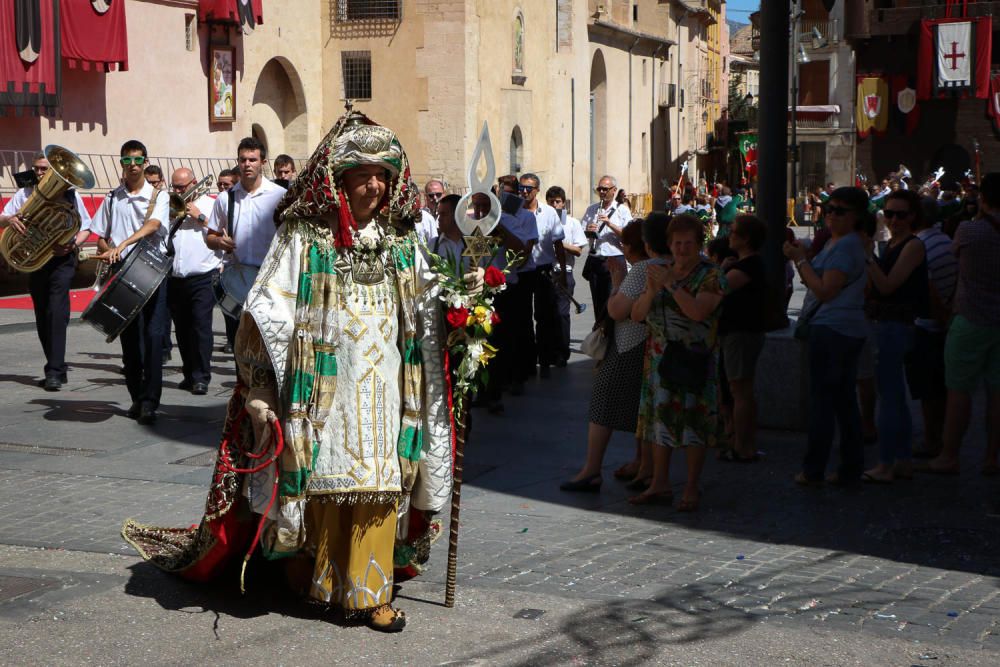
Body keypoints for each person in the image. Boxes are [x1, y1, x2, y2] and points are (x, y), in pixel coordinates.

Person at [123, 110, 459, 633]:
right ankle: (319, 579)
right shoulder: (305, 235)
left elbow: (424, 308)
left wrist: (465, 312)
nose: (374, 185)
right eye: (363, 174)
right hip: (321, 389)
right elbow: (266, 307)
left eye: (382, 175)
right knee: (323, 482)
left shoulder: (400, 241)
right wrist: (259, 383)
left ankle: (370, 593)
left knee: (380, 483)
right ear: (338, 178)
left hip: (389, 386)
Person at [630, 214, 726, 511]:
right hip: (660, 357)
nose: (682, 249)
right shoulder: (659, 271)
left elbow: (698, 312)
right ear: (669, 245)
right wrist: (650, 292)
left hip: (694, 358)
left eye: (688, 243)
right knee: (660, 420)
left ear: (699, 244)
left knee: (693, 423)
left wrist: (672, 286)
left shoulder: (711, 275)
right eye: (677, 243)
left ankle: (691, 487)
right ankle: (659, 483)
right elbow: (636, 315)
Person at [784, 187, 871, 487]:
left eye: (839, 210)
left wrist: (800, 262)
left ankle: (815, 468)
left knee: (824, 402)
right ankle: (848, 467)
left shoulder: (847, 246)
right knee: (843, 400)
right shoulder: (838, 242)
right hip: (838, 327)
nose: (830, 214)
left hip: (834, 329)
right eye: (828, 208)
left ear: (856, 216)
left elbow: (824, 290)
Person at [561, 219, 651, 492]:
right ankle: (643, 464)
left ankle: (592, 470)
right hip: (644, 346)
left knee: (602, 403)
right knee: (642, 409)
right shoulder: (660, 268)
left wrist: (616, 282)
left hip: (628, 344)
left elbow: (616, 310)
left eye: (624, 244)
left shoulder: (641, 271)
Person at [920, 172, 1000, 476]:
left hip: (970, 317)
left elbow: (955, 256)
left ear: (983, 198)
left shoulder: (969, 230)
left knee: (959, 389)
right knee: (997, 392)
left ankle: (949, 454)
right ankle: (992, 457)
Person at [91, 140, 171, 424]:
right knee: (129, 341)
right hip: (121, 270)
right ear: (121, 163)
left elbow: (154, 226)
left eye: (137, 160)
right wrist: (107, 248)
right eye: (127, 161)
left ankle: (151, 401)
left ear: (145, 162)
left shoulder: (158, 196)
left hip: (151, 269)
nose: (133, 166)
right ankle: (137, 397)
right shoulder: (113, 198)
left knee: (152, 336)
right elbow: (100, 233)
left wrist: (123, 243)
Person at [0, 152, 93, 390]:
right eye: (37, 169)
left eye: (44, 169)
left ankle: (53, 371)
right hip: (36, 260)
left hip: (62, 260)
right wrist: (10, 220)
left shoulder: (71, 195)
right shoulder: (26, 193)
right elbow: (3, 217)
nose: (40, 173)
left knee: (56, 311)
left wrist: (73, 244)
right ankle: (56, 367)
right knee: (43, 314)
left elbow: (86, 226)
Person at [863, 190, 928, 483]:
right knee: (894, 397)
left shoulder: (913, 246)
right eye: (888, 214)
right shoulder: (891, 244)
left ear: (913, 216)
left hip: (896, 325)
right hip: (886, 323)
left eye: (900, 214)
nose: (893, 220)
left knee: (889, 397)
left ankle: (887, 462)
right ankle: (901, 460)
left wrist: (868, 258)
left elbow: (888, 286)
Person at [206, 137, 286, 353]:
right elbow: (210, 238)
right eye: (243, 160)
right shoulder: (226, 198)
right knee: (239, 347)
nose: (247, 164)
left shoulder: (280, 196)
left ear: (263, 162)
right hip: (237, 281)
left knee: (269, 345)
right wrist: (219, 241)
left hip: (270, 281)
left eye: (252, 159)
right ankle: (243, 386)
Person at [905, 196, 959, 459]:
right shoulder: (945, 240)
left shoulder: (920, 246)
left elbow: (929, 288)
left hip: (928, 325)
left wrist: (940, 316)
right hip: (944, 322)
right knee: (940, 387)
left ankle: (931, 439)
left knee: (929, 390)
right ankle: (939, 436)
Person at [166, 168, 222, 395]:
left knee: (200, 327)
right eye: (175, 187)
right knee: (181, 329)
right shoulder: (171, 206)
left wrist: (198, 216)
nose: (178, 191)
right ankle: (189, 373)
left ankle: (201, 376)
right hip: (176, 276)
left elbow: (222, 232)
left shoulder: (211, 204)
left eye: (183, 187)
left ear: (195, 184)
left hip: (203, 276)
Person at [717, 215, 768, 462]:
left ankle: (742, 446)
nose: (729, 234)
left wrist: (722, 270)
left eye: (734, 231)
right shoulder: (747, 264)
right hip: (743, 332)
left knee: (740, 391)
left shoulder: (747, 267)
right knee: (743, 390)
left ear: (746, 239)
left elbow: (717, 289)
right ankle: (745, 442)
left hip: (741, 333)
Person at [519, 173, 566, 379]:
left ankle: (545, 359)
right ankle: (527, 360)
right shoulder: (514, 211)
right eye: (522, 188)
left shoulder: (549, 213)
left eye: (529, 188)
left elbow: (558, 244)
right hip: (522, 270)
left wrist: (562, 272)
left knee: (544, 316)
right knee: (523, 317)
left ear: (537, 190)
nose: (525, 192)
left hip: (544, 268)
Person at [581, 175, 631, 323]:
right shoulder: (592, 209)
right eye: (599, 189)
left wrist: (610, 224)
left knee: (614, 301)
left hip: (615, 259)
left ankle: (613, 337)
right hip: (596, 259)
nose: (602, 192)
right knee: (598, 302)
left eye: (605, 189)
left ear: (614, 190)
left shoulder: (622, 210)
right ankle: (600, 336)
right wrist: (588, 229)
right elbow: (581, 232)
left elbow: (628, 236)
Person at [547, 186, 587, 366]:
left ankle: (563, 352)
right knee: (546, 315)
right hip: (545, 272)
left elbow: (578, 250)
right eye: (551, 202)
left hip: (564, 272)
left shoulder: (572, 223)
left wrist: (559, 244)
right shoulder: (543, 220)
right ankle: (547, 352)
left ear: (564, 203)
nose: (554, 205)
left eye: (558, 202)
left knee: (562, 313)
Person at [426, 193, 465, 270]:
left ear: (458, 214)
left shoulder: (473, 243)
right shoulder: (433, 245)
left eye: (444, 214)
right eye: (439, 214)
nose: (439, 219)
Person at [416, 179, 446, 244]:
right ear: (425, 196)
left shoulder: (450, 215)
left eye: (438, 194)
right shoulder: (420, 216)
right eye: (431, 195)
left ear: (444, 195)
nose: (435, 198)